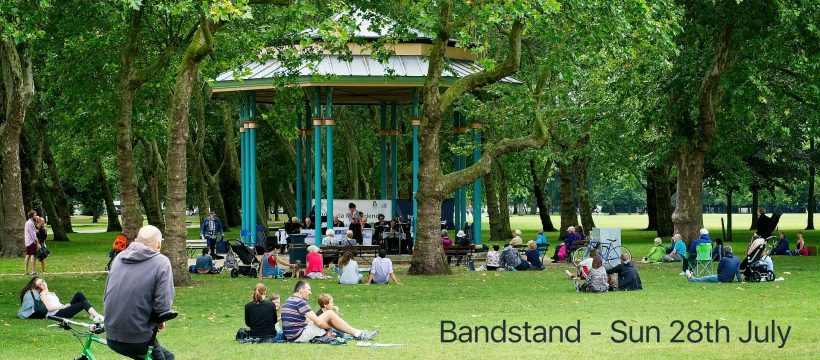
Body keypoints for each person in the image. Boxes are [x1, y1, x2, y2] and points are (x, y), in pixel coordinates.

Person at [104, 225, 175, 359]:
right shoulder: (161, 262)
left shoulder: (119, 258)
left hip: (111, 334)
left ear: (136, 240)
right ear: (159, 244)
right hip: (137, 338)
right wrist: (161, 319)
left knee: (168, 356)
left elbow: (107, 294)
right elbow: (163, 305)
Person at [281, 280, 378, 342]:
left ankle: (356, 332)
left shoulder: (288, 300)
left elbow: (306, 320)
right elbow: (318, 322)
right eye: (309, 290)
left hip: (291, 336)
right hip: (298, 336)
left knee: (327, 318)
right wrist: (329, 328)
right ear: (301, 290)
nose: (310, 293)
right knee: (330, 313)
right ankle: (358, 333)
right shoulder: (300, 302)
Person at [27, 277, 105, 322]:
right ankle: (97, 316)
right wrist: (63, 307)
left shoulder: (52, 293)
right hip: (56, 314)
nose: (43, 284)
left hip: (61, 309)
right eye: (40, 284)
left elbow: (56, 304)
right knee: (83, 303)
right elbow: (49, 308)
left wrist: (64, 306)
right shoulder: (43, 294)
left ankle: (92, 315)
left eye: (42, 281)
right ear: (39, 288)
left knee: (79, 294)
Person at [24, 210, 40, 275]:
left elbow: (32, 231)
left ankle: (26, 271)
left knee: (27, 255)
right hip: (31, 241)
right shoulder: (30, 223)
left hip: (27, 241)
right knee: (33, 255)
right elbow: (33, 234)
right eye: (35, 215)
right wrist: (37, 243)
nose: (36, 216)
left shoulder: (27, 222)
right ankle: (33, 271)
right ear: (32, 216)